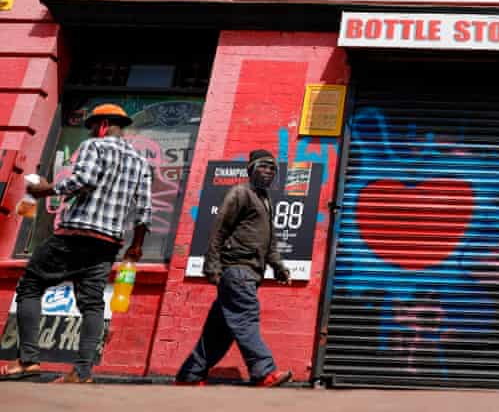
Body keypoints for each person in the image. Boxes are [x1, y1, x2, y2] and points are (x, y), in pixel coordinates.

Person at [0, 103, 152, 383]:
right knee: (92, 303)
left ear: (103, 124)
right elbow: (144, 209)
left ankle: (28, 360)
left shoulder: (95, 146)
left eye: (93, 125)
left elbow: (84, 180)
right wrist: (136, 246)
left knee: (30, 286)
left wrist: (46, 189)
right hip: (107, 242)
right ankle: (81, 372)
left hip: (75, 234)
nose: (91, 130)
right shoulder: (140, 161)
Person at [175, 149, 293, 388]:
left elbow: (269, 242)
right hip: (237, 270)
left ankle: (190, 374)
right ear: (251, 170)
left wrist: (278, 267)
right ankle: (264, 371)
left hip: (250, 272)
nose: (268, 172)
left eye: (272, 168)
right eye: (263, 167)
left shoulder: (266, 200)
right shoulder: (240, 193)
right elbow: (219, 229)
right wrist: (212, 264)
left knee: (219, 330)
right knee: (246, 318)